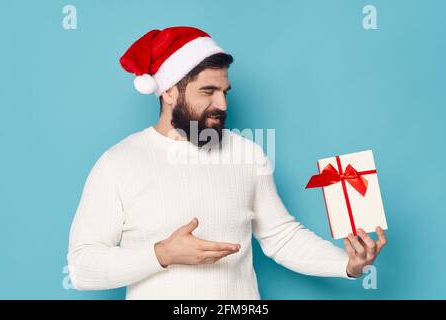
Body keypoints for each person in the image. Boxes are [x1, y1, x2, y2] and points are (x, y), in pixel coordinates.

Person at [67, 26, 387, 299]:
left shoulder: (248, 154)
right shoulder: (119, 162)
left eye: (225, 92)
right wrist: (162, 254)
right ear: (167, 92)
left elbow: (281, 237)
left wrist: (347, 265)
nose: (221, 104)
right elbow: (82, 268)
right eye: (208, 91)